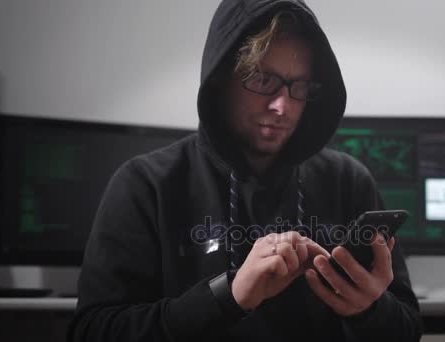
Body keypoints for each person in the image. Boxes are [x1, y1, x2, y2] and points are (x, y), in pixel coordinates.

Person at [67, 0, 423, 341]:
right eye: (263, 80)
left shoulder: (348, 180)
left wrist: (369, 311)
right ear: (222, 79)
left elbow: (407, 328)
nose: (282, 105)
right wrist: (228, 297)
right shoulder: (146, 186)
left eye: (298, 87)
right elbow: (93, 331)